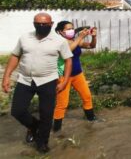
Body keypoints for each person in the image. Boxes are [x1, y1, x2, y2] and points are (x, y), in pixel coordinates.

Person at [1, 13, 73, 153]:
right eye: (38, 24)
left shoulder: (59, 41)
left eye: (44, 24)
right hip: (25, 79)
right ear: (34, 23)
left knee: (46, 114)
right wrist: (6, 76)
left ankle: (42, 143)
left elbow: (68, 60)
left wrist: (64, 80)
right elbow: (15, 55)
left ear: (51, 24)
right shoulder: (25, 38)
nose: (41, 26)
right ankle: (34, 127)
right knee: (17, 111)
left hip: (48, 80)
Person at [52, 21, 98, 132]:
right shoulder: (58, 42)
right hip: (63, 77)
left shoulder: (74, 40)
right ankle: (56, 129)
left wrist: (94, 37)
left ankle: (91, 119)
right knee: (62, 103)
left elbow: (92, 46)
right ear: (60, 32)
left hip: (78, 74)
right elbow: (66, 51)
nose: (71, 30)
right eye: (68, 29)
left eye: (72, 28)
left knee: (87, 96)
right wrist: (80, 37)